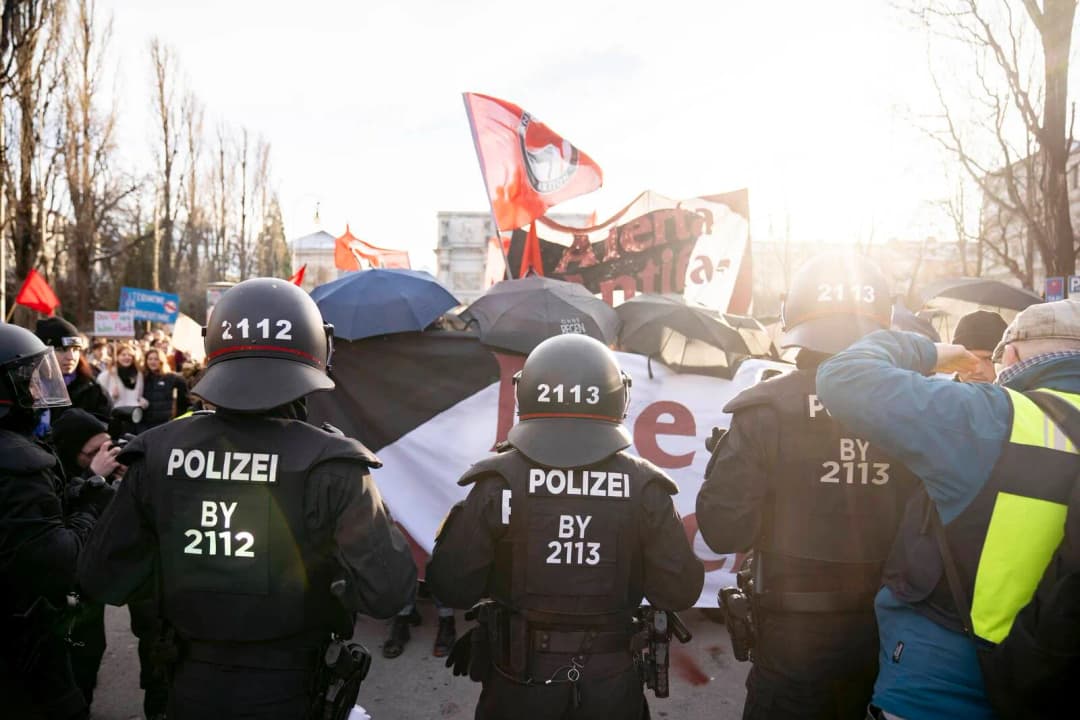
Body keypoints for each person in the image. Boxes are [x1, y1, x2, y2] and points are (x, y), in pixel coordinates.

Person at [76, 277, 418, 719]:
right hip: (292, 691)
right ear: (319, 349)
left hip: (185, 685)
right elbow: (389, 593)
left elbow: (101, 578)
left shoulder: (155, 451)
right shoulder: (333, 465)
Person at [816, 299, 1080, 719]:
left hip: (946, 686)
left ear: (1009, 355)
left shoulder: (990, 417)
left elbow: (843, 376)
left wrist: (932, 352)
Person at [427, 334, 704, 720]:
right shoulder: (645, 486)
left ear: (527, 394)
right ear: (617, 397)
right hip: (611, 685)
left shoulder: (498, 481)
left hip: (517, 683)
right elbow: (679, 591)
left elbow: (451, 586)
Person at [695, 254, 919, 720]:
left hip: (792, 639)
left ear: (792, 318)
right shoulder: (919, 406)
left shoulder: (764, 411)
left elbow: (723, 531)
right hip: (894, 635)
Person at [0, 322, 115, 719]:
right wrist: (90, 508)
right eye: (28, 382)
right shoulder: (18, 462)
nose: (38, 391)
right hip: (23, 653)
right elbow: (57, 564)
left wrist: (71, 495)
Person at [48, 410, 127, 711]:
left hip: (93, 586)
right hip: (62, 591)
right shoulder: (51, 476)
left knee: (92, 651)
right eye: (93, 452)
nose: (104, 456)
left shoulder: (104, 477)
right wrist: (91, 477)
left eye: (107, 447)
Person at [35, 317, 112, 427]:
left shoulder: (93, 391)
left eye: (76, 349)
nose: (71, 357)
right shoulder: (23, 388)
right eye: (61, 349)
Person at [139, 347, 189, 430]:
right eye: (150, 359)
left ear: (161, 361)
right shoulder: (143, 377)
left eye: (156, 359)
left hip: (165, 424)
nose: (152, 362)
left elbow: (185, 398)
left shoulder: (171, 378)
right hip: (145, 424)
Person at [951, 310, 1008, 383]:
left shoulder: (1020, 393)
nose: (978, 370)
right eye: (968, 358)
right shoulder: (938, 393)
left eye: (989, 359)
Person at [97, 341, 146, 409]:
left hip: (133, 413)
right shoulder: (107, 375)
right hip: (116, 413)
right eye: (123, 355)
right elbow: (99, 398)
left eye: (130, 355)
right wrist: (112, 396)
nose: (127, 357)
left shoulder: (138, 375)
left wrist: (142, 402)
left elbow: (139, 395)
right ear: (117, 357)